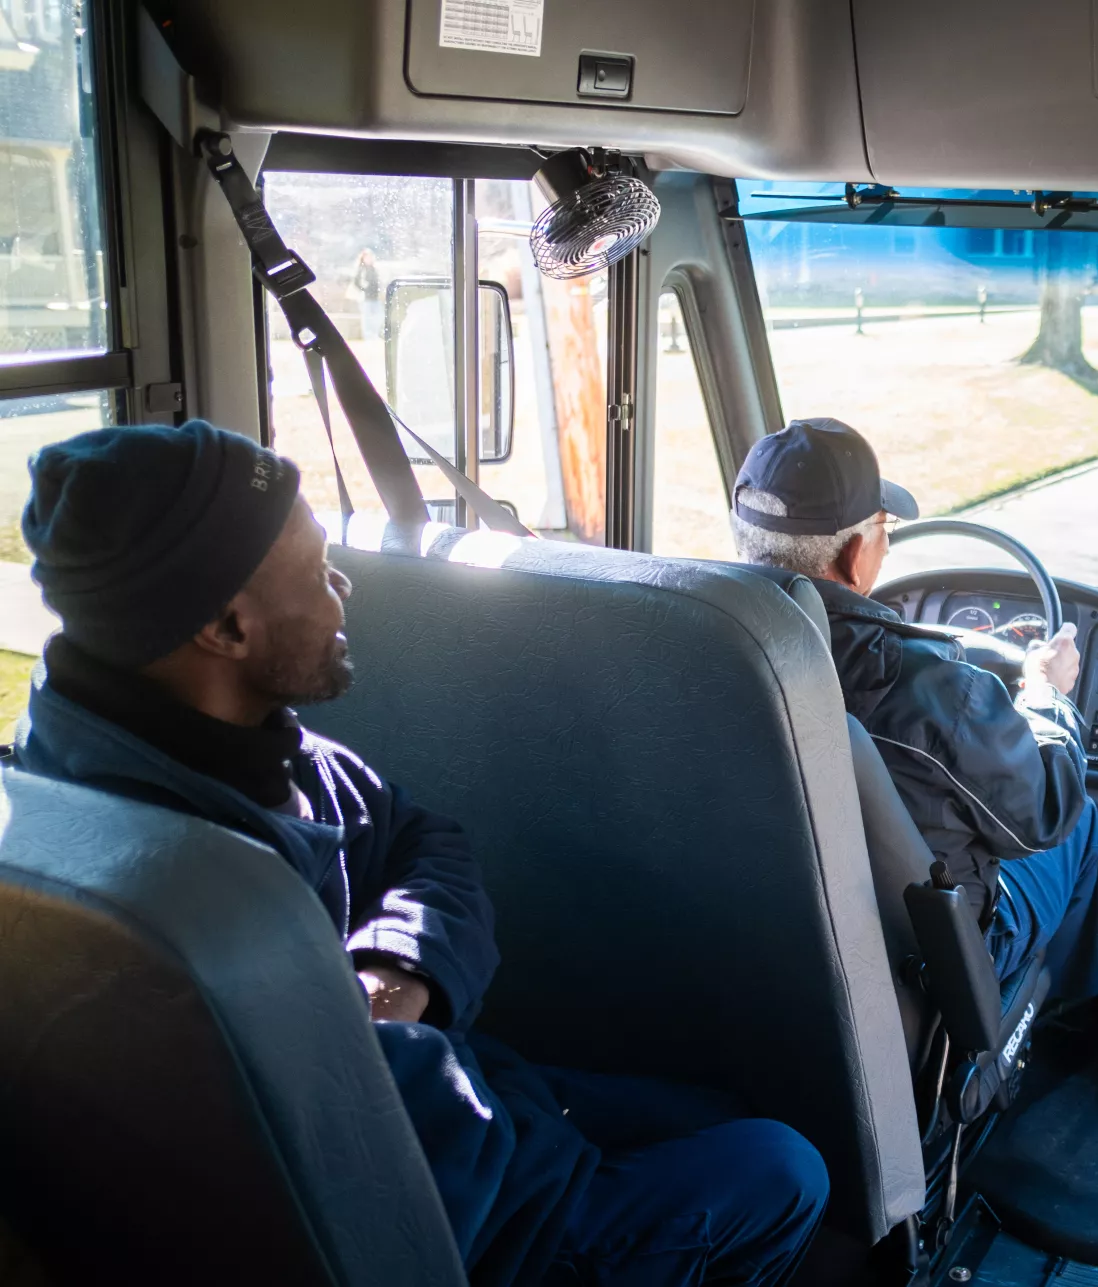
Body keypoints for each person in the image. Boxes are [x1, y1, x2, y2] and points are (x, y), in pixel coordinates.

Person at [11, 421, 828, 1287]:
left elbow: (417, 835)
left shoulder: (222, 744)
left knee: (726, 1113)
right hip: (483, 1216)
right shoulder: (194, 924)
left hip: (475, 1106)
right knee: (785, 1172)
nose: (342, 588)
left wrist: (401, 966)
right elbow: (378, 1207)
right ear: (226, 625)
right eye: (316, 572)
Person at [728, 418, 1098, 1005]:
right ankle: (1049, 1014)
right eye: (884, 529)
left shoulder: (707, 653)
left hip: (768, 933)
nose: (885, 542)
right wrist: (1046, 694)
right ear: (856, 557)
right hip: (930, 959)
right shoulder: (936, 691)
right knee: (1082, 820)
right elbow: (1044, 815)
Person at [351, 248, 382, 341]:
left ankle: (375, 334)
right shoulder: (361, 269)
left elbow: (377, 282)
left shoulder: (374, 268)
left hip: (375, 296)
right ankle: (368, 336)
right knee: (366, 317)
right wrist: (364, 289)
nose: (369, 259)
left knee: (379, 316)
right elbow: (356, 282)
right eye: (367, 257)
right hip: (365, 297)